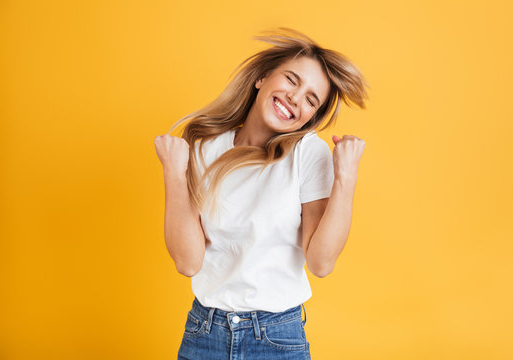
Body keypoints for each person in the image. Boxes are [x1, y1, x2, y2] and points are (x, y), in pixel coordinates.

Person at [154, 27, 369, 360]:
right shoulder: (203, 147)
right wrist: (173, 172)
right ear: (263, 78)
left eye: (312, 99)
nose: (296, 99)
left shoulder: (308, 155)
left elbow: (321, 263)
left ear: (312, 116)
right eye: (292, 80)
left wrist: (346, 177)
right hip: (204, 334)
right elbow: (187, 261)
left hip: (276, 338)